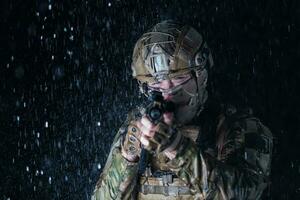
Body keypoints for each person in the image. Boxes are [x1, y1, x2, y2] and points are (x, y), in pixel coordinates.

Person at [91, 20, 273, 200]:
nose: (167, 92)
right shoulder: (136, 129)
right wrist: (127, 158)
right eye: (156, 83)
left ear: (200, 76)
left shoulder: (237, 128)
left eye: (179, 78)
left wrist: (176, 148)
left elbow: (241, 194)